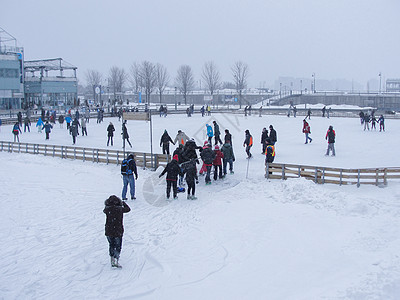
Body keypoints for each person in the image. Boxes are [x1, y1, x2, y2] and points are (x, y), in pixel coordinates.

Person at [103, 195, 131, 268]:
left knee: (111, 244)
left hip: (108, 230)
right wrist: (123, 203)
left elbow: (104, 209)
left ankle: (112, 258)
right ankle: (116, 259)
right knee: (118, 246)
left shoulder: (107, 209)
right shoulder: (120, 209)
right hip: (118, 230)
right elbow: (128, 209)